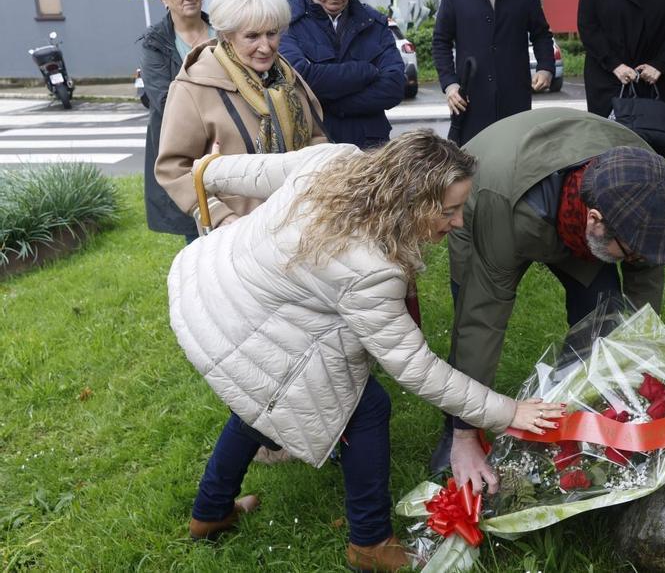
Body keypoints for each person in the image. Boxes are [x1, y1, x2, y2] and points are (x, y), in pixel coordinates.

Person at [171, 133, 564, 572]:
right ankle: (371, 543)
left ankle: (209, 514)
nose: (457, 223)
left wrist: (208, 169)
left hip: (215, 285)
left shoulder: (338, 161)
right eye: (448, 210)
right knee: (365, 406)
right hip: (244, 322)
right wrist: (506, 411)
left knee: (260, 395)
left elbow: (256, 172)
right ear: (409, 201)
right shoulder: (369, 268)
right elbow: (416, 368)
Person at [435, 107, 665, 493]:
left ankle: (574, 415)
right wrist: (467, 433)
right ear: (595, 221)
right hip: (492, 193)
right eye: (631, 253)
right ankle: (455, 434)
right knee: (471, 310)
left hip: (574, 192)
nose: (637, 262)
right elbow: (482, 319)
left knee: (603, 313)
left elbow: (644, 284)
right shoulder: (505, 207)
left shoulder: (644, 187)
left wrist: (642, 363)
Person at [156, 0, 327, 233]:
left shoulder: (288, 78)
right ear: (226, 35)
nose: (266, 46)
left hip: (300, 224)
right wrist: (221, 216)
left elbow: (317, 138)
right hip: (237, 233)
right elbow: (172, 169)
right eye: (252, 36)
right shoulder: (194, 86)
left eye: (272, 33)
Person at [433, 0, 554, 145]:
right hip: (469, 102)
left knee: (514, 169)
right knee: (471, 172)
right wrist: (450, 85)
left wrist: (546, 67)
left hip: (515, 103)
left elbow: (541, 34)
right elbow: (441, 41)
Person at [278, 0, 406, 149]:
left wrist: (330, 102)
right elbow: (299, 80)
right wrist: (366, 71)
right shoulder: (283, 19)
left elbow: (394, 87)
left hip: (369, 152)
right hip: (311, 150)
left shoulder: (373, 22)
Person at [141, 0, 215, 243]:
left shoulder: (222, 32)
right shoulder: (155, 43)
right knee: (196, 234)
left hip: (227, 144)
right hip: (183, 149)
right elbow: (164, 99)